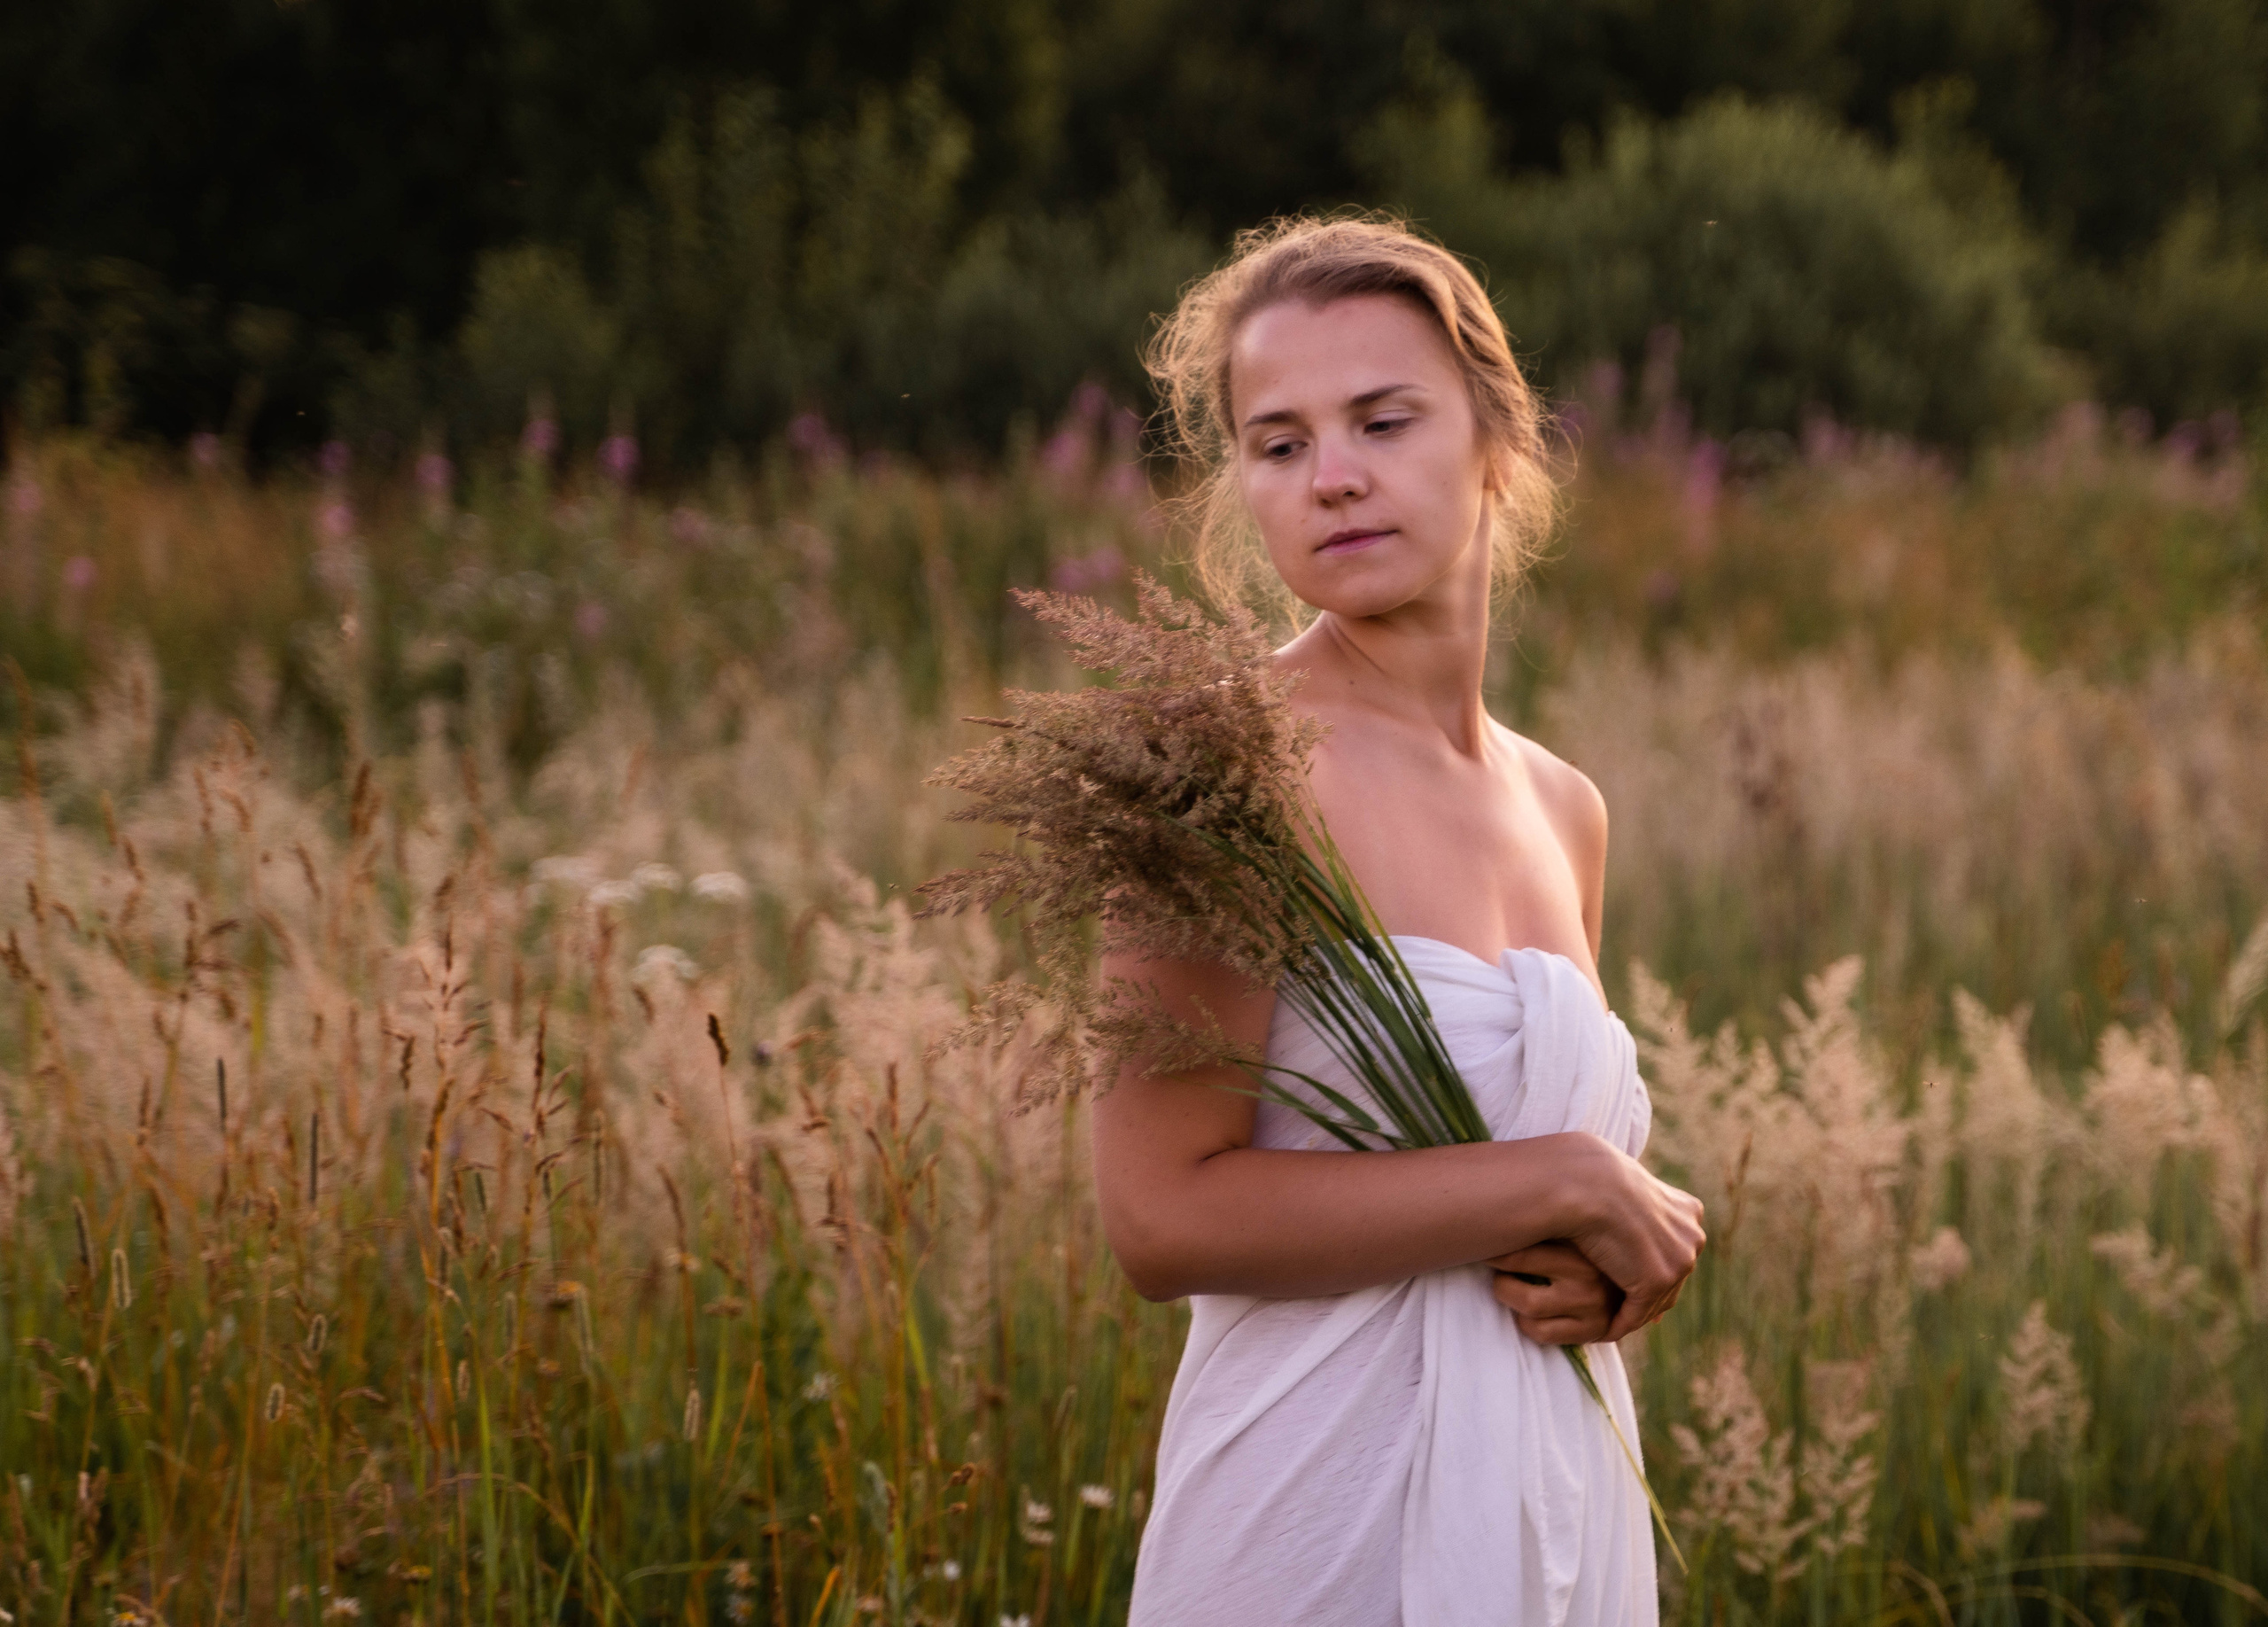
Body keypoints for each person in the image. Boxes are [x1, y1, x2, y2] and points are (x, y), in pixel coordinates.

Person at [1091, 216, 1707, 1625]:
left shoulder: (1566, 807)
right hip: (1313, 1519)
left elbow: (1535, 1185)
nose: (1335, 478)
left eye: (1381, 419)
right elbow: (1158, 1216)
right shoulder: (1221, 773)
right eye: (1280, 442)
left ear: (1498, 432)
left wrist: (1612, 1268)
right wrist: (1564, 1182)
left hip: (1551, 1505)